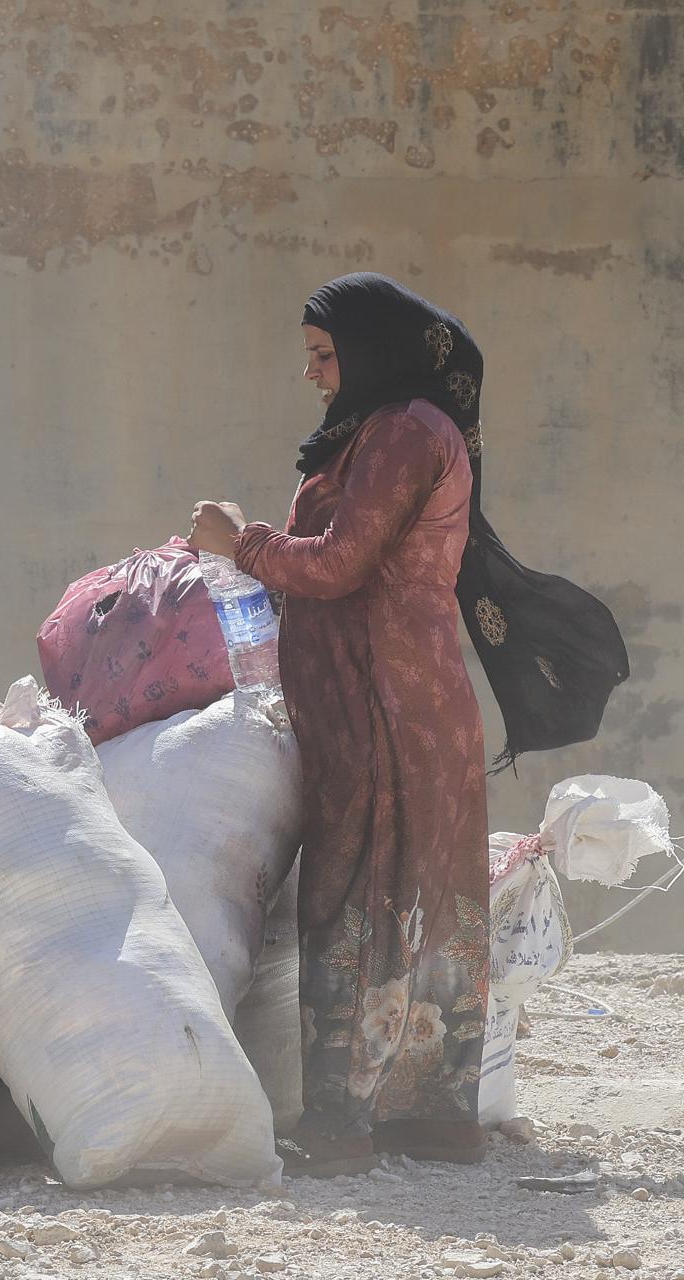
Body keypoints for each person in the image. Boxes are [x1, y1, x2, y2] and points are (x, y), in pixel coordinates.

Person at [190, 273, 627, 1176]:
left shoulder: (402, 434)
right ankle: (426, 1120)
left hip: (385, 704)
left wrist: (241, 542)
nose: (314, 377)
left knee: (360, 892)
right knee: (414, 895)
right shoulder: (389, 429)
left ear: (371, 349)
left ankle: (345, 1130)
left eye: (324, 356)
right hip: (393, 698)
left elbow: (343, 561)